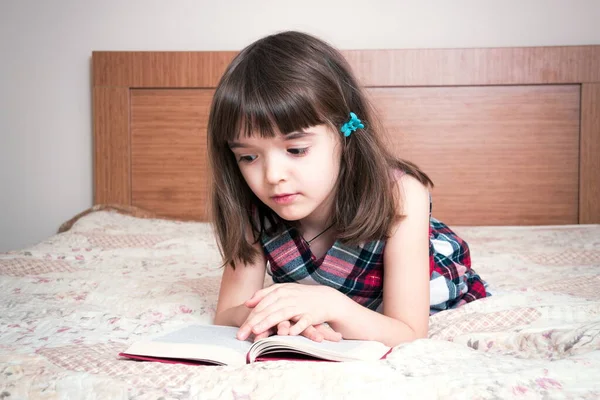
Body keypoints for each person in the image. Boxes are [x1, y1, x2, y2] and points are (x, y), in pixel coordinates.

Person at [208, 31, 488, 347]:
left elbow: (409, 331)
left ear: (344, 134)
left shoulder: (402, 195)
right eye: (248, 156)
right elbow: (227, 313)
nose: (272, 176)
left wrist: (329, 304)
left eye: (296, 150)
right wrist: (268, 317)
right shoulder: (252, 204)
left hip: (421, 291)